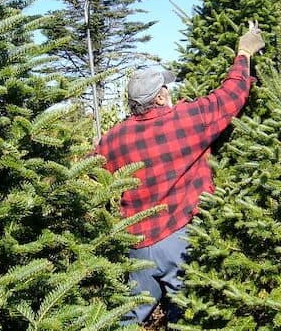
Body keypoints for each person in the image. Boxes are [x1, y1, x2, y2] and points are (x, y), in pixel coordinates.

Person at [94, 21, 265, 325]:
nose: (170, 93)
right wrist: (244, 53)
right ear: (159, 98)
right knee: (189, 314)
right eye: (166, 89)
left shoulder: (112, 139)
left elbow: (92, 175)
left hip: (136, 246)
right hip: (179, 237)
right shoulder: (185, 121)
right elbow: (230, 96)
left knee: (128, 318)